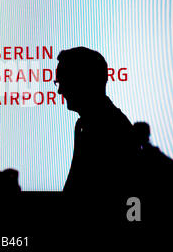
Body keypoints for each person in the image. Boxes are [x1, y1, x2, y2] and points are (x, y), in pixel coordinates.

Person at [54, 47, 140, 196]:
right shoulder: (84, 125)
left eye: (64, 81)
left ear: (83, 81)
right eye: (58, 82)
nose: (60, 91)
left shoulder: (114, 130)